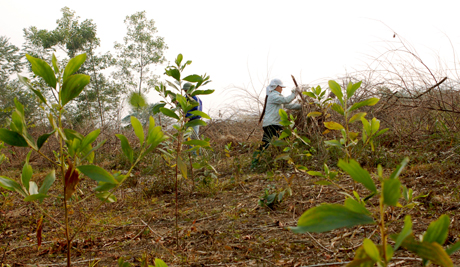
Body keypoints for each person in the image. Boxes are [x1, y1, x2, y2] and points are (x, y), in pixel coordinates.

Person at [251, 78, 301, 167]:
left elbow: (289, 105)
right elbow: (286, 100)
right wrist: (295, 93)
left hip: (271, 124)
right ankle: (288, 161)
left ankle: (255, 162)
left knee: (265, 143)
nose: (282, 89)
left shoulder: (277, 97)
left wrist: (302, 106)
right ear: (276, 87)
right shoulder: (273, 96)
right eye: (281, 87)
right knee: (287, 140)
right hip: (273, 124)